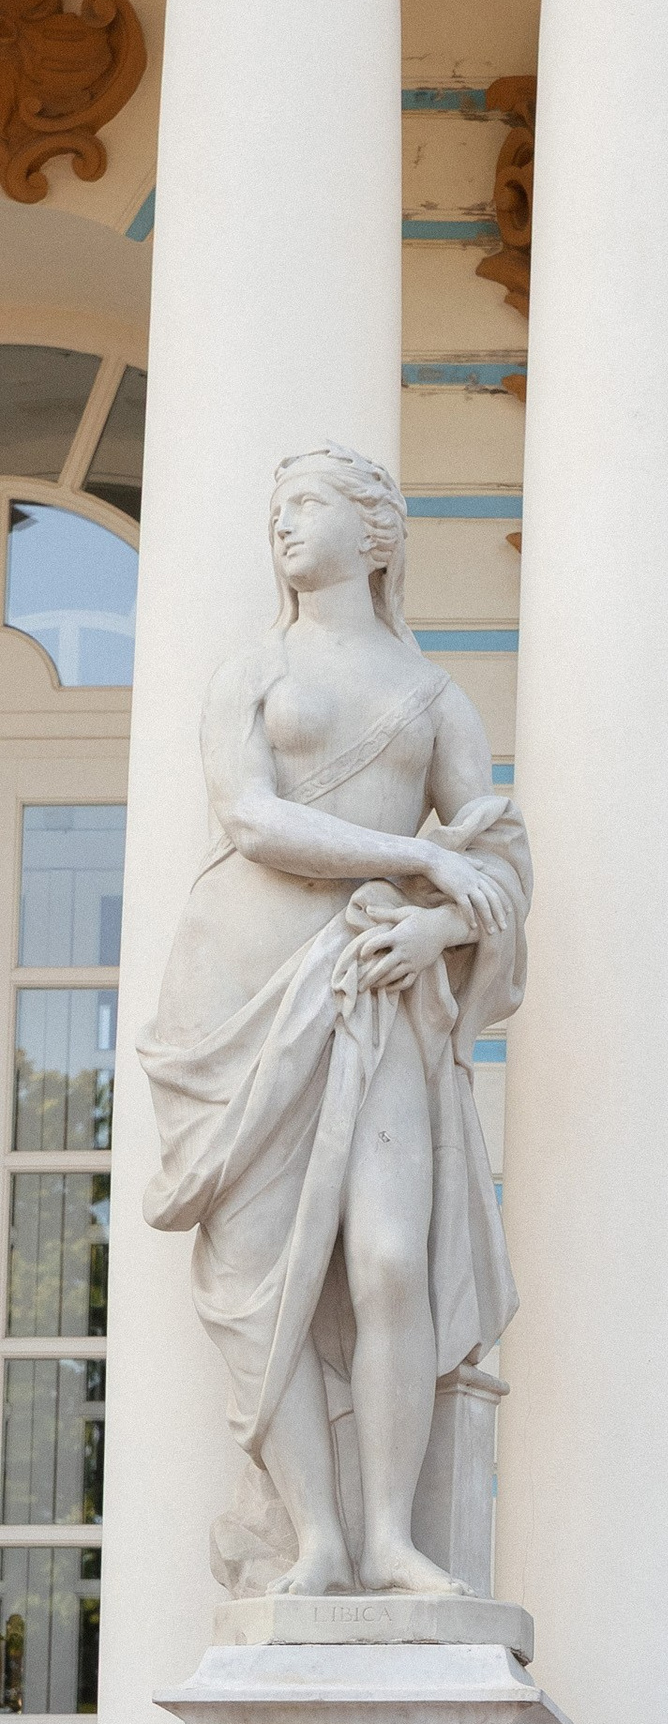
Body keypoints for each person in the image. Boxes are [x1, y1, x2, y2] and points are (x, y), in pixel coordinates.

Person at [140, 443, 529, 1599]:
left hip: (377, 989)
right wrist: (415, 858)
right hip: (239, 991)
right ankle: (316, 1540)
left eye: (307, 505)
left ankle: (394, 1539)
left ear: (378, 536)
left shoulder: (431, 695)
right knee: (271, 1287)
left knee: (392, 1260)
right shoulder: (248, 671)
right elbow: (250, 817)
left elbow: (498, 859)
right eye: (277, 508)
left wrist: (436, 933)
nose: (284, 526)